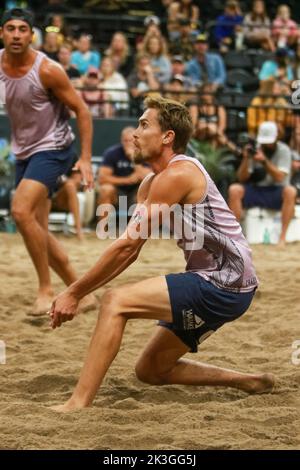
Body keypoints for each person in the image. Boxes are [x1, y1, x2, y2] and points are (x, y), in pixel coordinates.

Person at [49, 96, 274, 412]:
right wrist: (77, 292)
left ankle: (77, 403)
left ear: (168, 136)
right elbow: (131, 250)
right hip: (222, 283)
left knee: (115, 302)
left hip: (224, 282)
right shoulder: (152, 183)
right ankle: (248, 381)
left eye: (144, 125)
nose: (134, 134)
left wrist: (74, 292)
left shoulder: (178, 174)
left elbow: (126, 246)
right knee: (151, 369)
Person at [0, 8, 95, 314]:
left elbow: (82, 110)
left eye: (23, 29)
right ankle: (84, 292)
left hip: (54, 147)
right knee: (36, 225)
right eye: (11, 28)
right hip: (24, 150)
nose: (16, 34)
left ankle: (45, 289)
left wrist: (86, 158)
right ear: (2, 33)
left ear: (32, 35)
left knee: (20, 210)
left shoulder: (48, 70)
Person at [228, 121, 297, 246]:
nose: (266, 143)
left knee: (290, 191)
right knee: (234, 189)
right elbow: (242, 178)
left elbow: (280, 177)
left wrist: (264, 161)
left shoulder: (284, 150)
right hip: (257, 190)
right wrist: (246, 159)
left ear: (276, 137)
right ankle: (235, 237)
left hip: (276, 190)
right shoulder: (255, 149)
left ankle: (282, 238)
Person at [97, 126, 150, 221]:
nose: (128, 143)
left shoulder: (144, 153)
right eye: (125, 141)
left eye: (130, 140)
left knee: (148, 190)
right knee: (106, 189)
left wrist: (132, 157)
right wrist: (127, 180)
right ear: (121, 140)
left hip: (136, 191)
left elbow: (148, 177)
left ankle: (139, 228)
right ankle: (103, 229)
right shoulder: (112, 153)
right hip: (117, 191)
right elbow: (102, 178)